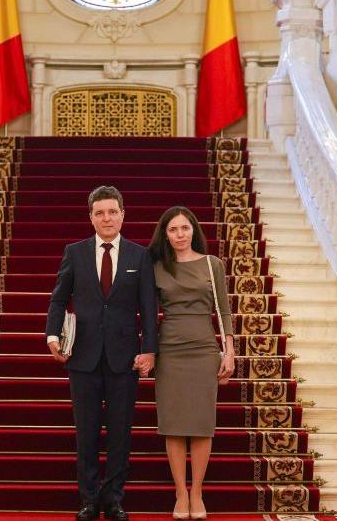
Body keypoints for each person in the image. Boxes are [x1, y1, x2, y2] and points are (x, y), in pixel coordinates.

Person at [46, 185, 159, 521]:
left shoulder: (140, 255)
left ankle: (114, 499)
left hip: (125, 358)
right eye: (100, 213)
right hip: (82, 357)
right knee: (87, 431)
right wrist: (52, 335)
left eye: (112, 212)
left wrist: (149, 350)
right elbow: (58, 298)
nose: (106, 218)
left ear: (123, 214)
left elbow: (148, 308)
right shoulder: (75, 252)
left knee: (121, 432)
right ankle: (88, 499)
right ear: (91, 217)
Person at [147, 206, 235, 520]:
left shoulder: (213, 264)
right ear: (165, 235)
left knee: (201, 424)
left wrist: (229, 351)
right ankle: (180, 493)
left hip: (203, 349)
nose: (180, 234)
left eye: (185, 228)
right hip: (170, 350)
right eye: (173, 230)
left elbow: (223, 310)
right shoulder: (157, 267)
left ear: (193, 230)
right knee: (173, 424)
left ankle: (196, 492)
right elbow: (147, 310)